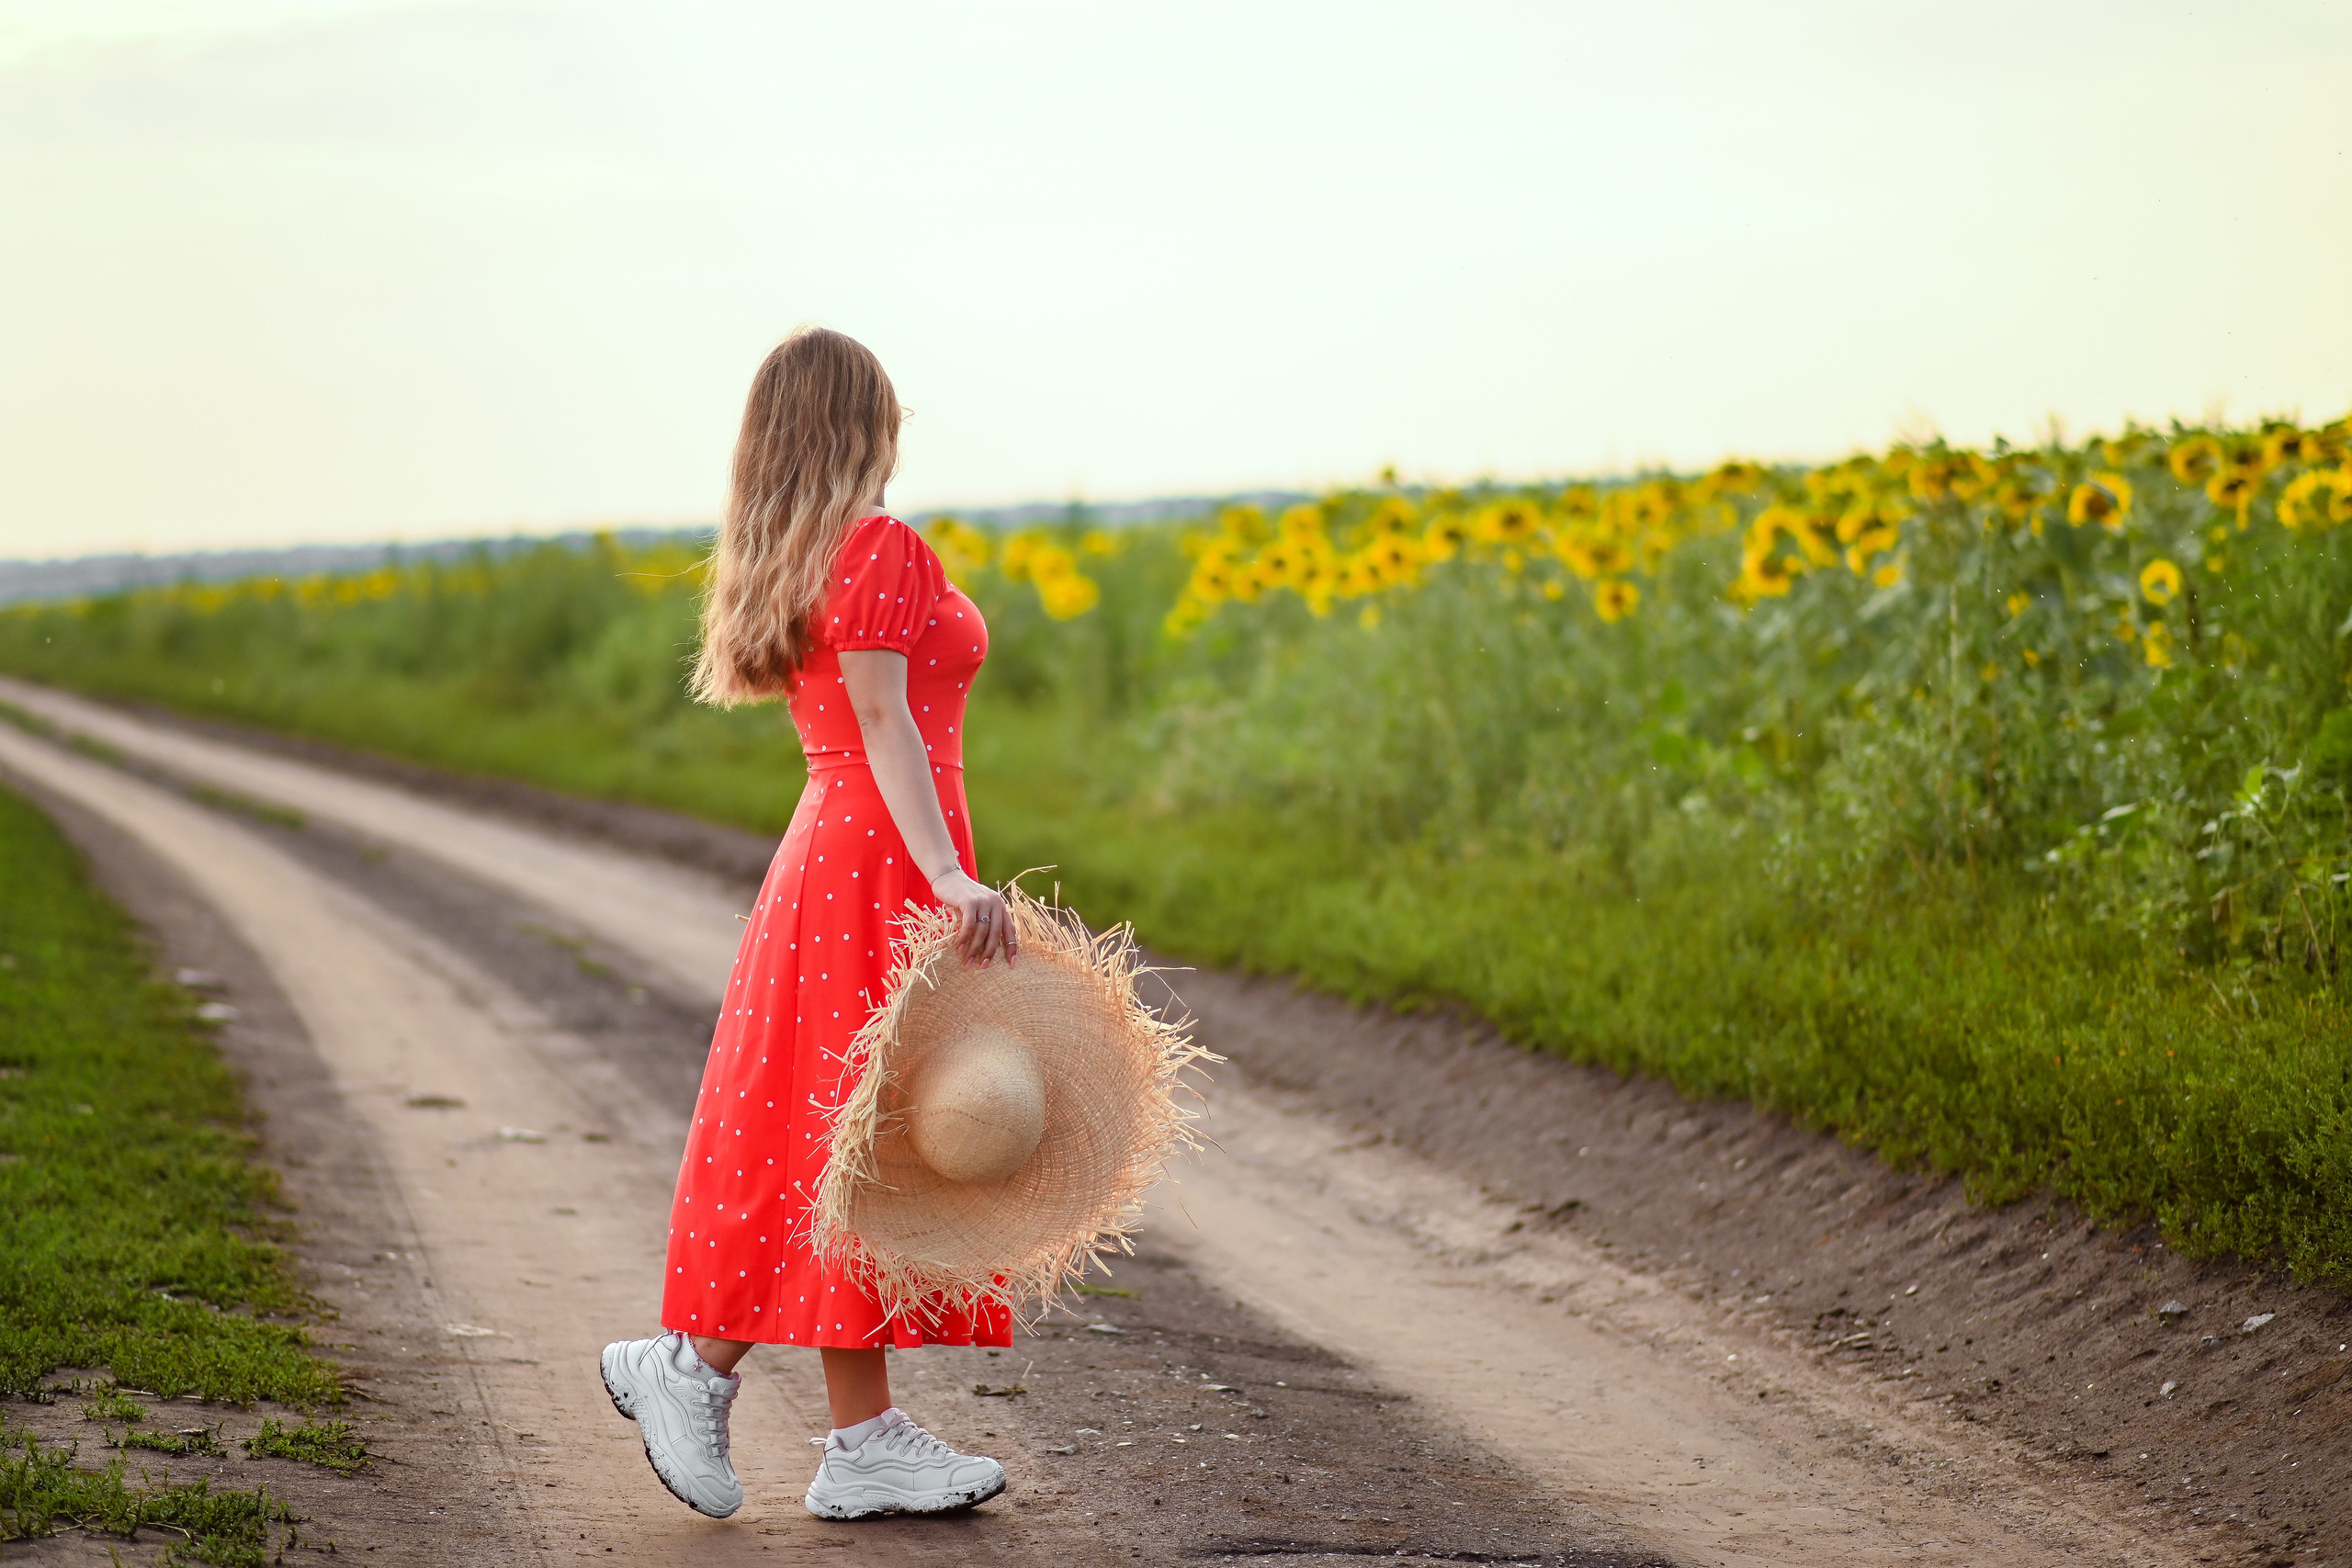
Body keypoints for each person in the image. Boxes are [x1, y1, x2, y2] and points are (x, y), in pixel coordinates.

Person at [600, 327, 1017, 1522]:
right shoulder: (881, 543)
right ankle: (725, 1380)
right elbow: (886, 719)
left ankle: (836, 1425)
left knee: (839, 1136)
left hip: (832, 849)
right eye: (892, 415)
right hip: (877, 858)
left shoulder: (803, 555)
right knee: (855, 1139)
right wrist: (945, 875)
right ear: (863, 425)